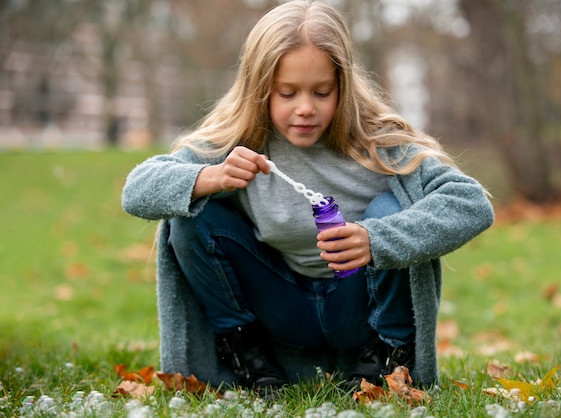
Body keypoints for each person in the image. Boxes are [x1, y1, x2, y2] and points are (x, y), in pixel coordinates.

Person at [122, 0, 494, 397]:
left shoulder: (379, 142)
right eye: (287, 93)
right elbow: (137, 190)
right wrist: (210, 177)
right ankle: (246, 354)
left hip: (360, 309)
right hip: (280, 308)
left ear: (343, 85)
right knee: (192, 214)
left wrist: (376, 240)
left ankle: (386, 359)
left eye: (321, 92)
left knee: (392, 209)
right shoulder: (239, 139)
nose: (305, 109)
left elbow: (472, 203)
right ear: (260, 89)